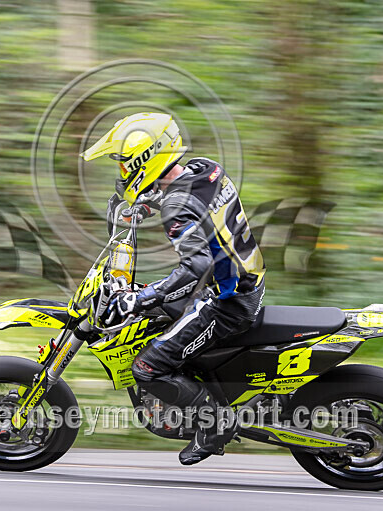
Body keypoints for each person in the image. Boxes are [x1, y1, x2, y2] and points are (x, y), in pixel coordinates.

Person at [81, 112, 265, 465]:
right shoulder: (206, 169)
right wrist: (148, 202)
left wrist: (139, 298)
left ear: (144, 159)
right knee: (160, 322)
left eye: (123, 164)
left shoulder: (176, 207)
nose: (121, 172)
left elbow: (196, 266)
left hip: (226, 300)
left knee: (147, 369)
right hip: (246, 278)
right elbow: (198, 204)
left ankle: (215, 424)